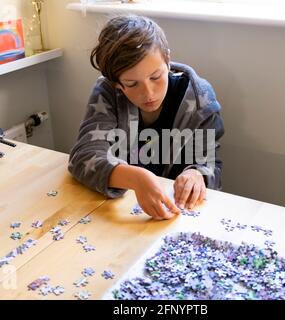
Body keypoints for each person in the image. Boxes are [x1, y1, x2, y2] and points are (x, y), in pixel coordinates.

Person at [68, 15, 224, 220]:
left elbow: (211, 165)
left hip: (179, 213)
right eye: (132, 84)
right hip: (123, 210)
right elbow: (83, 157)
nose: (148, 93)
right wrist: (136, 178)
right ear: (117, 83)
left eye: (156, 77)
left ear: (167, 60)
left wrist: (197, 174)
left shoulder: (199, 97)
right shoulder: (107, 93)